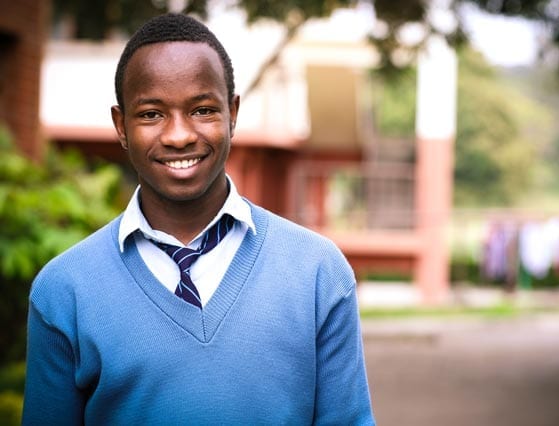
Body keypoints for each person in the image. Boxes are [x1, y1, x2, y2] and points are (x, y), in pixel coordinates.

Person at [22, 13, 374, 425]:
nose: (179, 135)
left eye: (203, 110)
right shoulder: (64, 290)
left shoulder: (317, 272)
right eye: (151, 114)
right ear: (121, 126)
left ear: (233, 113)